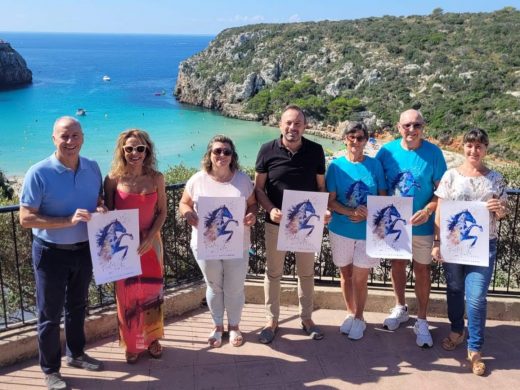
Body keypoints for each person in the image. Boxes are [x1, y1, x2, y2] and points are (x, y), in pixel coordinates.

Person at [19, 116, 104, 390]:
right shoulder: (38, 172)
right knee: (49, 314)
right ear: (54, 139)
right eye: (64, 136)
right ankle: (50, 370)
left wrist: (101, 210)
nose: (70, 142)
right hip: (50, 253)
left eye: (75, 136)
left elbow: (98, 202)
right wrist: (67, 220)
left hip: (84, 250)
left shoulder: (92, 168)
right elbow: (25, 218)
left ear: (83, 138)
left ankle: (76, 354)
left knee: (78, 306)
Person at [431, 128, 507, 375]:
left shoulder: (495, 178)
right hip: (453, 245)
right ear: (463, 147)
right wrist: (436, 241)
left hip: (484, 246)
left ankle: (475, 350)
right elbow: (441, 209)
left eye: (479, 146)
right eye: (470, 145)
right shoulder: (450, 175)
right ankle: (456, 331)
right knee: (454, 289)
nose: (474, 150)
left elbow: (503, 212)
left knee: (475, 298)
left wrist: (500, 209)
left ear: (485, 149)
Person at [254, 104, 330, 343]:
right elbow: (258, 188)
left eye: (298, 123)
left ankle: (307, 318)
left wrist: (324, 209)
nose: (292, 127)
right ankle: (271, 320)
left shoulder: (316, 151)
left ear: (305, 126)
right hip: (275, 223)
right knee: (273, 273)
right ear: (280, 125)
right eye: (288, 123)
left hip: (307, 223)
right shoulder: (267, 150)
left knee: (306, 273)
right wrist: (270, 209)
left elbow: (320, 187)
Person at [375, 109, 447, 347]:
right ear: (399, 128)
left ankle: (423, 320)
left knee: (423, 270)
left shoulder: (434, 153)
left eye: (416, 125)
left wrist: (427, 210)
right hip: (395, 225)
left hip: (424, 226)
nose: (412, 130)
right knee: (396, 265)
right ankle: (400, 307)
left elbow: (442, 194)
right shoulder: (386, 152)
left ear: (423, 127)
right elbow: (379, 186)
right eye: (407, 126)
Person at [179, 135, 257, 348]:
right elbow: (184, 203)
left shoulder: (242, 179)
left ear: (233, 156)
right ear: (209, 155)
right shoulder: (197, 180)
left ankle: (234, 326)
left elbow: (252, 205)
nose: (221, 155)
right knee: (214, 287)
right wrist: (188, 214)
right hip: (205, 245)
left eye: (226, 151)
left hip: (238, 244)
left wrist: (252, 215)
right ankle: (217, 326)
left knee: (235, 288)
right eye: (217, 151)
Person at [104, 129, 167, 364]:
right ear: (122, 150)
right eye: (129, 148)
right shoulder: (112, 179)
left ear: (147, 150)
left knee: (151, 294)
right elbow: (109, 215)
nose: (134, 153)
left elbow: (162, 213)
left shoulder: (156, 178)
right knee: (127, 296)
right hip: (123, 249)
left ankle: (152, 340)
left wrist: (150, 237)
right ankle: (131, 344)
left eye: (139, 148)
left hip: (151, 246)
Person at [326, 122, 387, 340]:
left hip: (368, 231)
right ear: (344, 139)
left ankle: (360, 317)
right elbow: (330, 202)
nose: (355, 141)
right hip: (340, 229)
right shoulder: (335, 167)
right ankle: (350, 313)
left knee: (361, 277)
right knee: (345, 274)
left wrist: (369, 210)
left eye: (360, 138)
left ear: (365, 141)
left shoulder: (375, 165)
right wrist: (351, 211)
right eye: (351, 137)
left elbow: (382, 197)